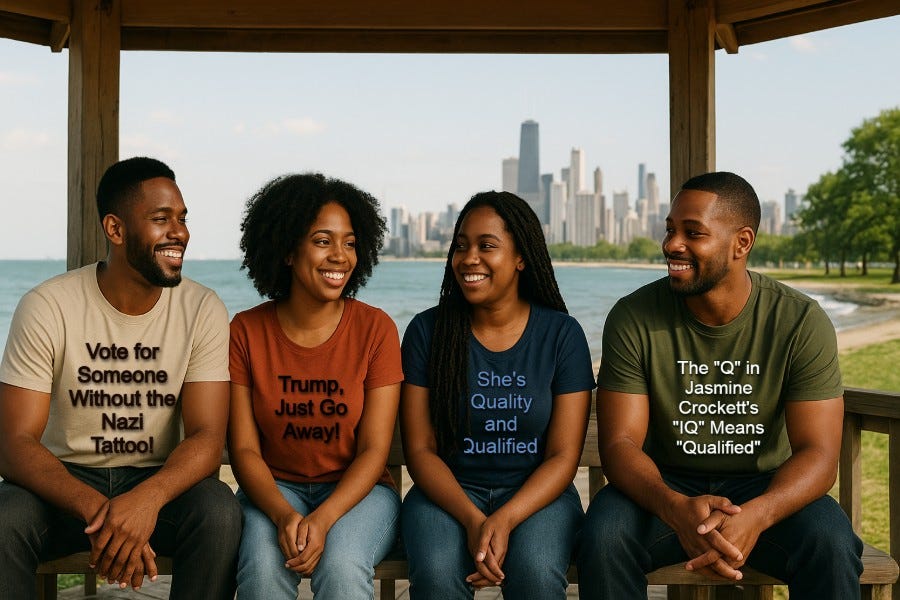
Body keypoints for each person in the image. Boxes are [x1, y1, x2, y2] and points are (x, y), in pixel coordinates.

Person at [578, 172, 864, 599]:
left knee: (832, 543)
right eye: (671, 230)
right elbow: (619, 446)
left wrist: (757, 515)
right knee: (603, 537)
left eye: (693, 233)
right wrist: (676, 510)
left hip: (766, 487)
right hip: (663, 487)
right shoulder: (633, 317)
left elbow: (820, 455)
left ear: (741, 243)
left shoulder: (800, 321)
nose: (672, 244)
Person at [0, 156, 241, 599]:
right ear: (115, 229)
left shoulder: (202, 309)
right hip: (64, 488)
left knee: (220, 512)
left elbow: (207, 439)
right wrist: (102, 511)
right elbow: (14, 445)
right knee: (5, 518)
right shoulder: (48, 306)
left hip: (156, 483)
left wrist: (147, 500)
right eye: (161, 219)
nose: (180, 233)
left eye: (183, 219)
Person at [400, 191, 594, 600]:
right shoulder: (426, 332)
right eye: (461, 246)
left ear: (521, 257)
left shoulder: (562, 335)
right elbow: (420, 449)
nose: (469, 258)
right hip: (448, 493)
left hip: (538, 495)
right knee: (436, 573)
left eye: (487, 246)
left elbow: (563, 456)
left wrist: (504, 518)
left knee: (536, 572)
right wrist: (473, 519)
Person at [229, 173, 402, 600]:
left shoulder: (375, 329)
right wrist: (282, 513)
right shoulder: (246, 330)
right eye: (323, 241)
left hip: (359, 493)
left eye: (349, 243)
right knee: (263, 572)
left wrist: (323, 520)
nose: (339, 256)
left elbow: (374, 451)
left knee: (341, 569)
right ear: (288, 250)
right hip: (274, 489)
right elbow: (245, 450)